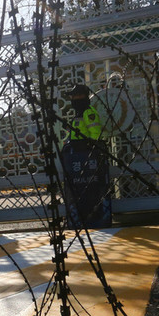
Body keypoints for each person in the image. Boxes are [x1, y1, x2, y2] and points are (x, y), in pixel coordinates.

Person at [61, 83, 111, 229]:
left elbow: (95, 134)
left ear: (82, 96)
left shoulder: (88, 112)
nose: (73, 99)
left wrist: (89, 147)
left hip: (86, 158)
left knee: (90, 192)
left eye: (75, 95)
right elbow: (79, 132)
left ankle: (93, 219)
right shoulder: (80, 113)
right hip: (77, 157)